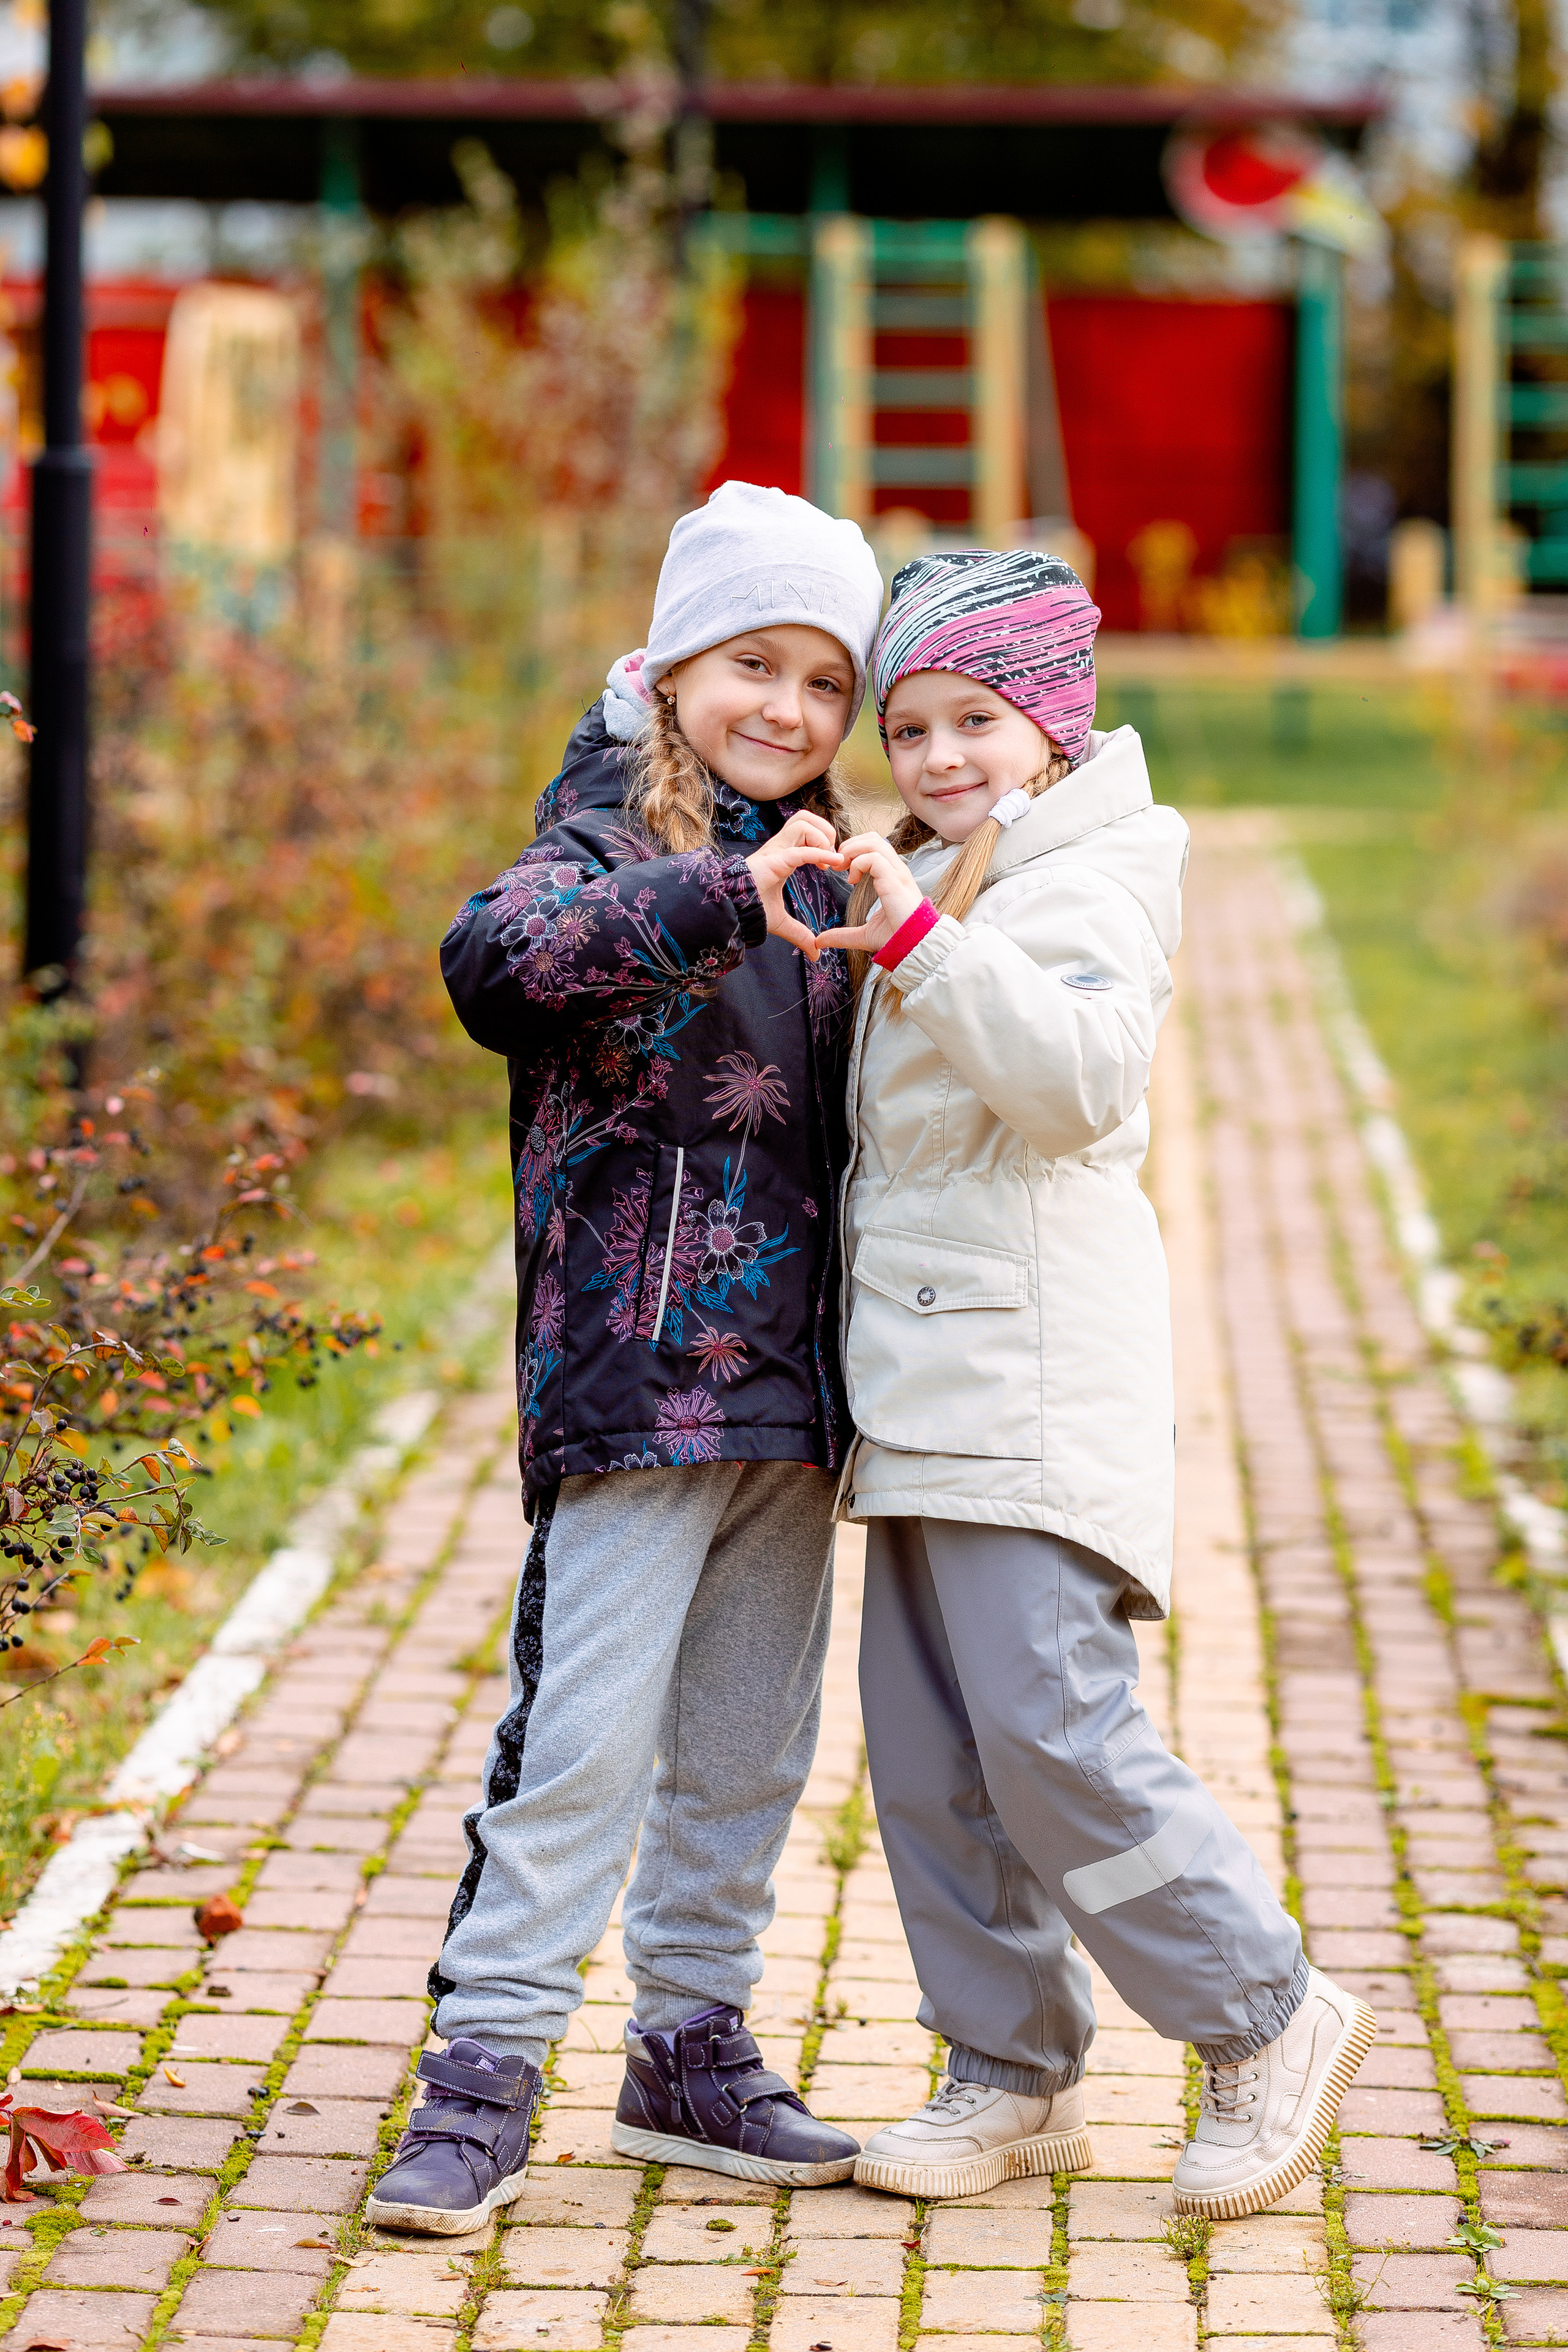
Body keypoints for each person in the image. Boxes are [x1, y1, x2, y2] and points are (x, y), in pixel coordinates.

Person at [814, 547, 1375, 2218]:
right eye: (910, 725)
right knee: (933, 1756)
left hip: (1032, 1379)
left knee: (1056, 1731)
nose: (938, 755)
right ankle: (1010, 2070)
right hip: (921, 1380)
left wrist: (919, 940)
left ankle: (1264, 2008)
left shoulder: (1092, 877)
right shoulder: (944, 866)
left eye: (975, 718)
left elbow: (1076, 1083)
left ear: (1054, 720)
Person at [365, 482, 882, 2235]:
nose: (789, 709)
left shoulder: (834, 860)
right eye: (754, 663)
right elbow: (492, 966)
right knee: (582, 1743)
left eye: (825, 680)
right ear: (670, 670)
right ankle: (486, 2065)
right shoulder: (598, 842)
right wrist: (727, 894)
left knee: (748, 1743)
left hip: (797, 1393)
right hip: (638, 1384)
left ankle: (690, 2046)